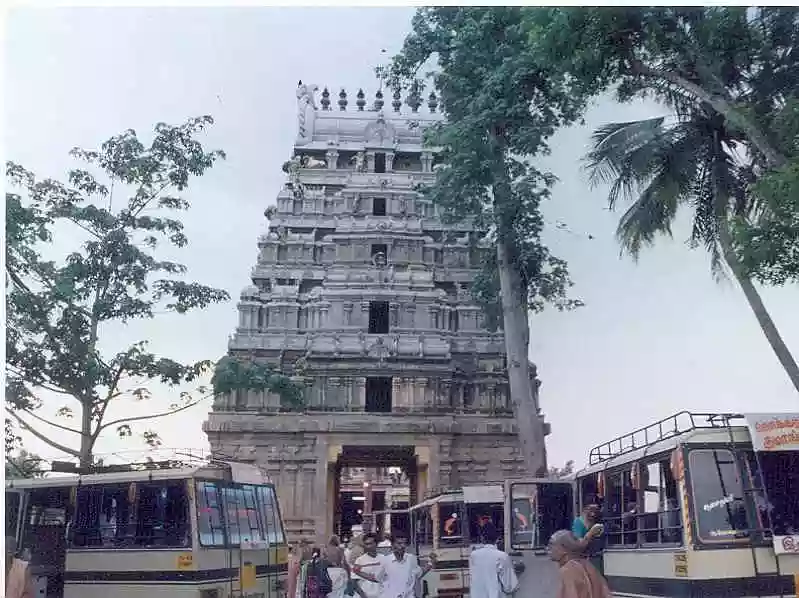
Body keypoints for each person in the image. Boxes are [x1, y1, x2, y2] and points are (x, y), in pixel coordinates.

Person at [548, 530, 611, 598]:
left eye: (551, 544)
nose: (548, 548)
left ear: (564, 549)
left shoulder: (567, 571)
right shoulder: (589, 566)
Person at [469, 523, 518, 598]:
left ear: (481, 538)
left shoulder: (473, 555)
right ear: (497, 538)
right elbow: (509, 586)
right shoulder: (502, 556)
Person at [352, 533, 384, 598]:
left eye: (370, 543)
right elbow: (353, 582)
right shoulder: (359, 560)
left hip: (380, 594)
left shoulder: (383, 558)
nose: (368, 546)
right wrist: (363, 596)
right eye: (366, 544)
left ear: (376, 544)